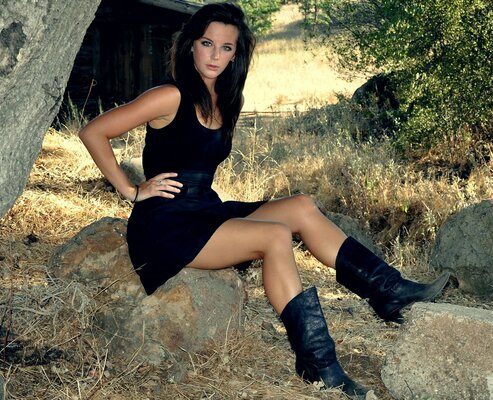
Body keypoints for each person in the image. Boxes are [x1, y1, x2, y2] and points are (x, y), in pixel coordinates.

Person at [78, 2, 449, 399]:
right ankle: (318, 363)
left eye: (226, 48)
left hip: (206, 210)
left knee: (302, 206)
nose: (215, 55)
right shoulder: (169, 96)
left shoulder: (226, 99)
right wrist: (132, 190)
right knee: (274, 236)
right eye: (207, 43)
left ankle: (389, 291)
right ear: (190, 46)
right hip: (166, 227)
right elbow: (94, 132)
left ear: (237, 53)